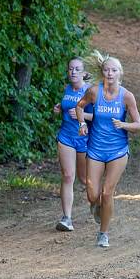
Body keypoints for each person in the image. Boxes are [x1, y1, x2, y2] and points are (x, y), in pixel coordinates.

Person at [76, 53, 140, 248]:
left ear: (120, 73)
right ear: (102, 72)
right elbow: (79, 107)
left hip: (118, 151)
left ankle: (103, 234)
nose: (110, 73)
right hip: (95, 149)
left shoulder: (127, 96)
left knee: (107, 193)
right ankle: (96, 206)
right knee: (92, 195)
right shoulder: (94, 92)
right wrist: (82, 123)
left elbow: (138, 125)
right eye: (106, 70)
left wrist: (124, 125)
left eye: (114, 70)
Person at [53, 57, 93, 232]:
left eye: (77, 69)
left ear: (84, 73)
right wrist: (58, 108)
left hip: (84, 139)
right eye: (70, 69)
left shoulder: (91, 92)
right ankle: (67, 218)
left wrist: (82, 116)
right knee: (68, 176)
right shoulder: (67, 89)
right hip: (66, 137)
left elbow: (99, 117)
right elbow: (65, 104)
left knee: (85, 179)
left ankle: (97, 202)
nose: (73, 72)